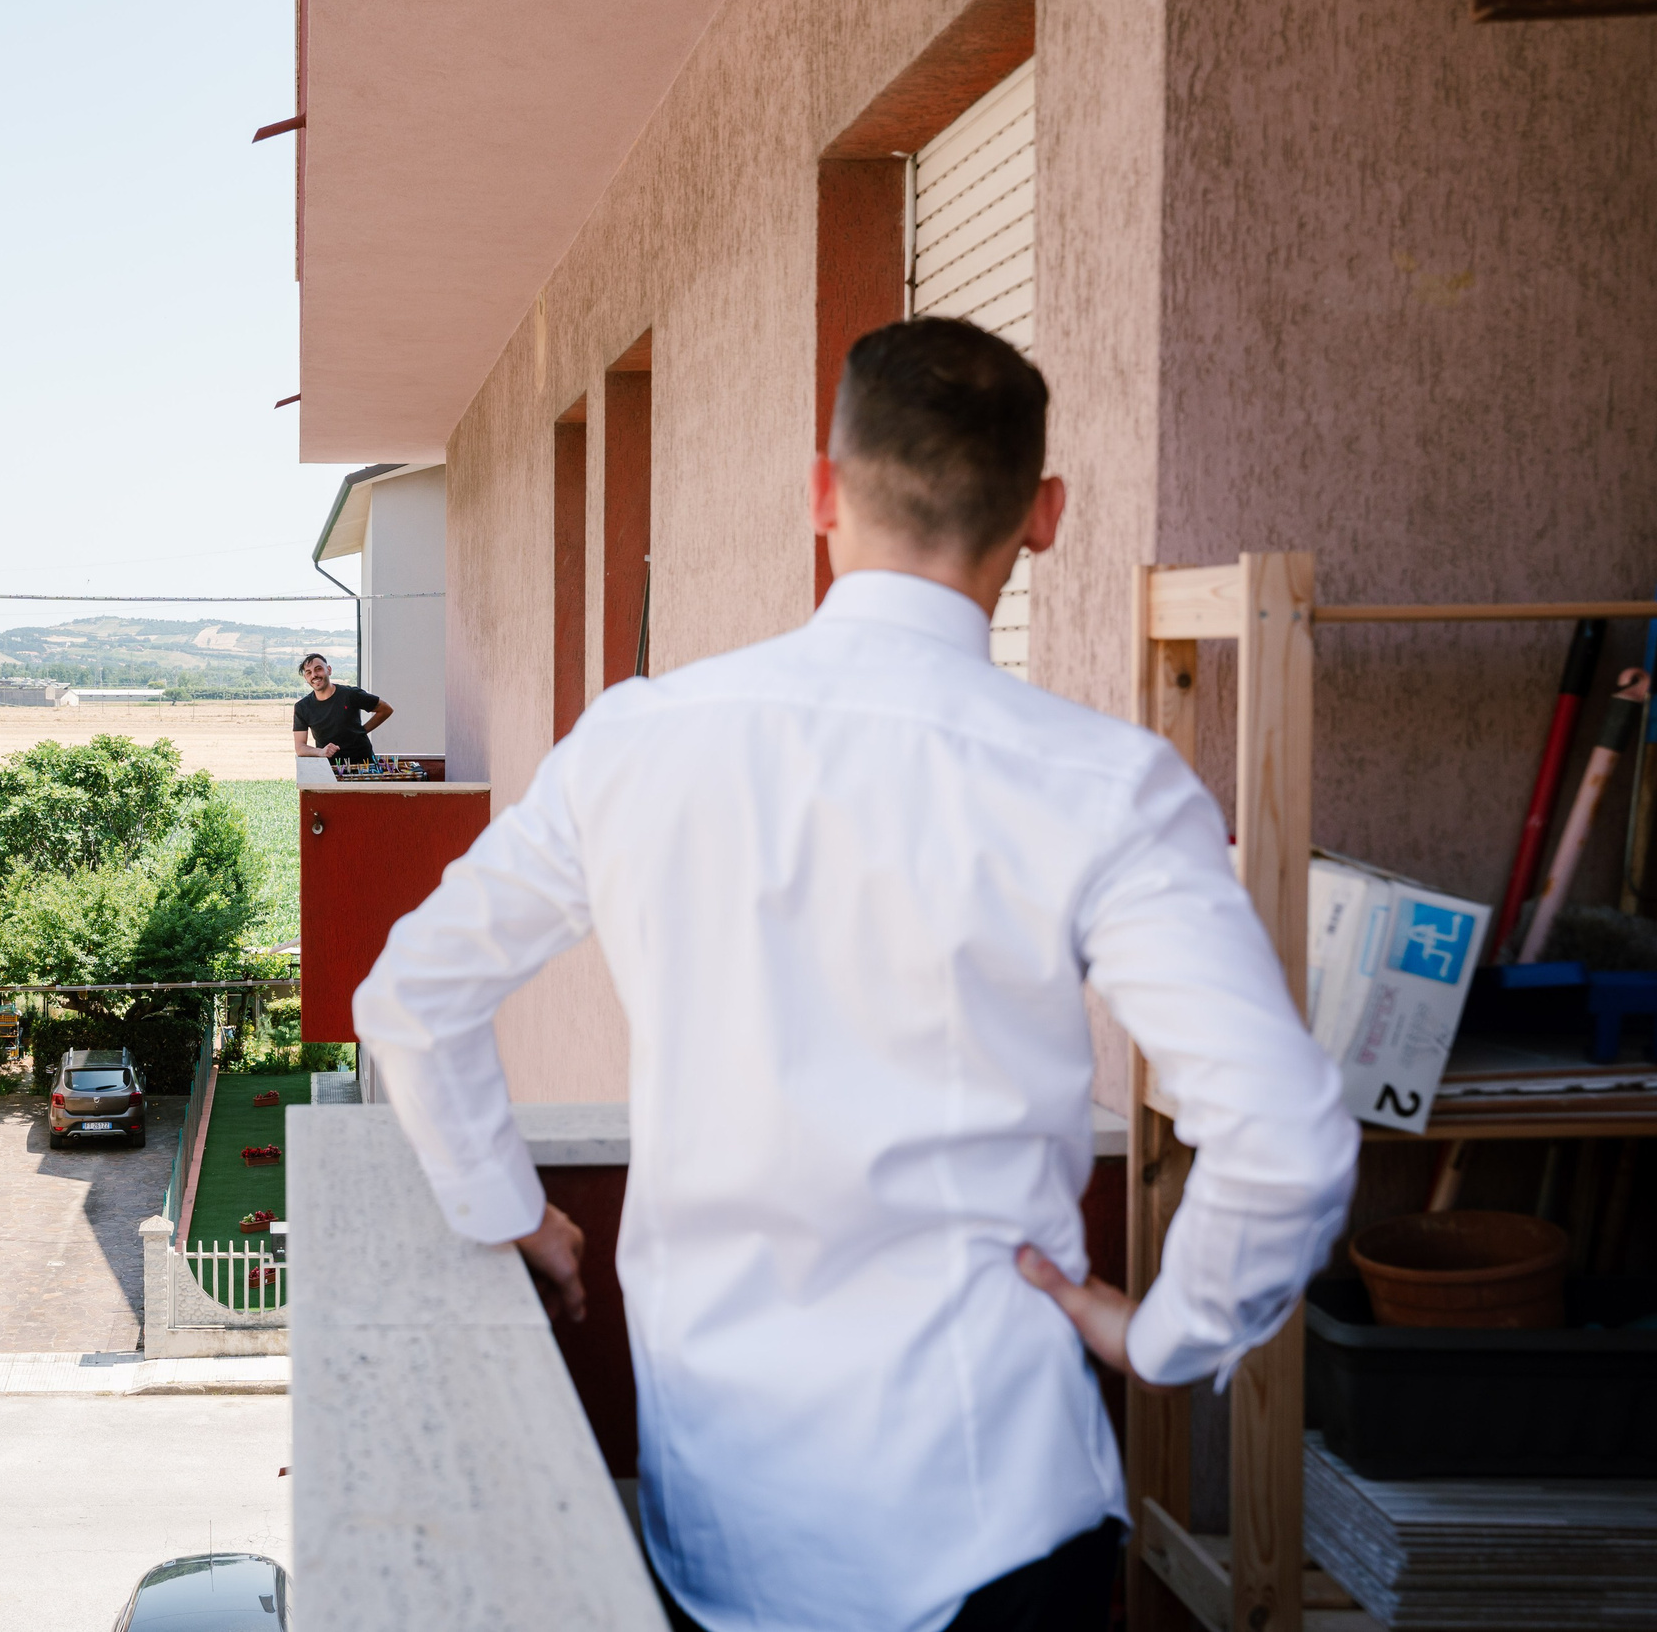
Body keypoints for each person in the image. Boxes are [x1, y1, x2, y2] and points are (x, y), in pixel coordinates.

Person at [352, 318, 1359, 1632]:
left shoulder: (640, 741)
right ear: (1043, 515)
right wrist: (1169, 1335)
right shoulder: (1104, 784)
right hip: (999, 1510)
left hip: (726, 1518)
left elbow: (413, 995)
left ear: (822, 494)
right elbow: (1285, 1134)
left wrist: (512, 1208)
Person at [292, 652, 392, 763]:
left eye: (318, 669)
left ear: (329, 670)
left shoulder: (350, 694)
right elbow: (300, 747)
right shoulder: (302, 707)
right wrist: (321, 752)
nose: (314, 675)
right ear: (306, 677)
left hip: (363, 763)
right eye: (308, 672)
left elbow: (385, 709)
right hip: (329, 767)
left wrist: (362, 731)